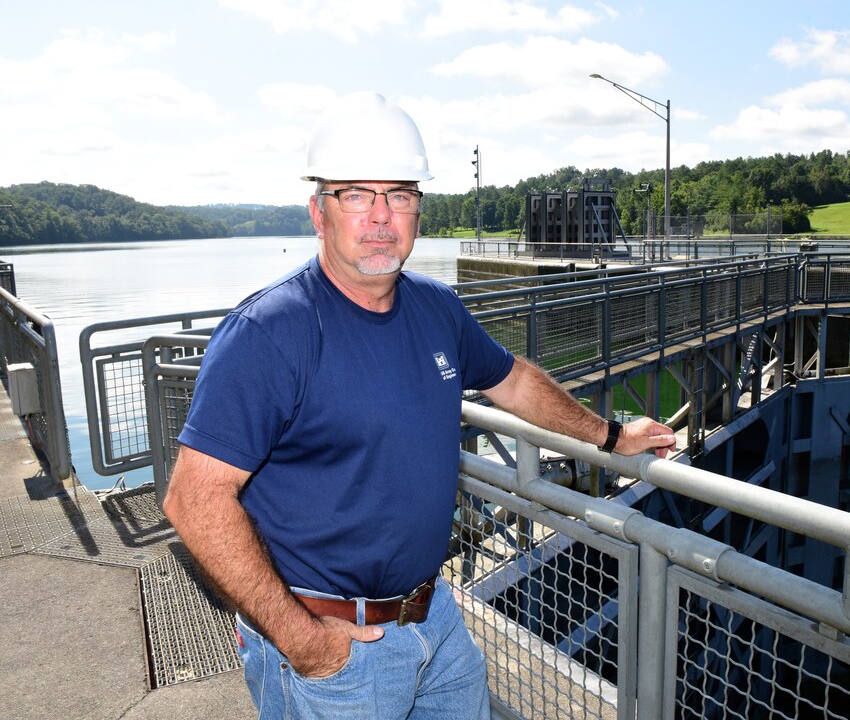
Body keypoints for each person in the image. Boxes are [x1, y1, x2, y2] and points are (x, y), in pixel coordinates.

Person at [162, 91, 675, 719]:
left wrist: (611, 436)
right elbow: (193, 499)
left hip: (436, 620)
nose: (381, 217)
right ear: (319, 214)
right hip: (335, 648)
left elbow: (512, 380)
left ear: (418, 213)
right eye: (356, 195)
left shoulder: (436, 309)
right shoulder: (271, 332)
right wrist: (305, 643)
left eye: (399, 195)